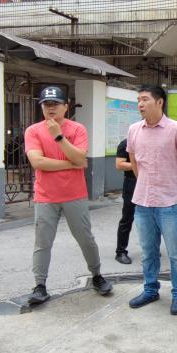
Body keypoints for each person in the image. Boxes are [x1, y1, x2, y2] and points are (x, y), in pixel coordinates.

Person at [25, 85, 113, 305]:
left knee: (85, 238)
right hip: (45, 196)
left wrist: (58, 137)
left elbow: (80, 157)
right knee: (42, 242)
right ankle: (39, 285)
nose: (50, 108)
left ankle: (97, 275)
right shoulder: (33, 131)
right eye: (46, 104)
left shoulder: (77, 129)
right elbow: (38, 162)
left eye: (55, 104)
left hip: (75, 195)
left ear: (66, 106)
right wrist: (72, 164)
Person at [127, 84, 177, 315]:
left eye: (145, 99)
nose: (140, 104)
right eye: (139, 100)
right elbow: (134, 161)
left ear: (159, 102)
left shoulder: (176, 129)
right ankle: (150, 289)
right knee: (148, 251)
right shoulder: (134, 129)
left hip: (169, 202)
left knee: (175, 253)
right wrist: (145, 183)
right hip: (142, 203)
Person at [115, 137, 136, 264]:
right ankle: (121, 251)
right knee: (127, 217)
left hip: (150, 183)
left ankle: (152, 248)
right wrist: (139, 165)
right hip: (132, 183)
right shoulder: (126, 143)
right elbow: (119, 164)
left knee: (153, 218)